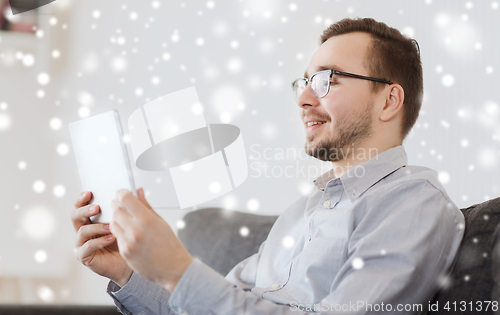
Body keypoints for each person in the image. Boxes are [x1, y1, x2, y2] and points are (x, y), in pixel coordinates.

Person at [71, 17, 465, 315]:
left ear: (389, 100)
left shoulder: (413, 205)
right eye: (305, 82)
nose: (305, 99)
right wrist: (127, 271)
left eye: (328, 80)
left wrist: (178, 269)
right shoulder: (303, 212)